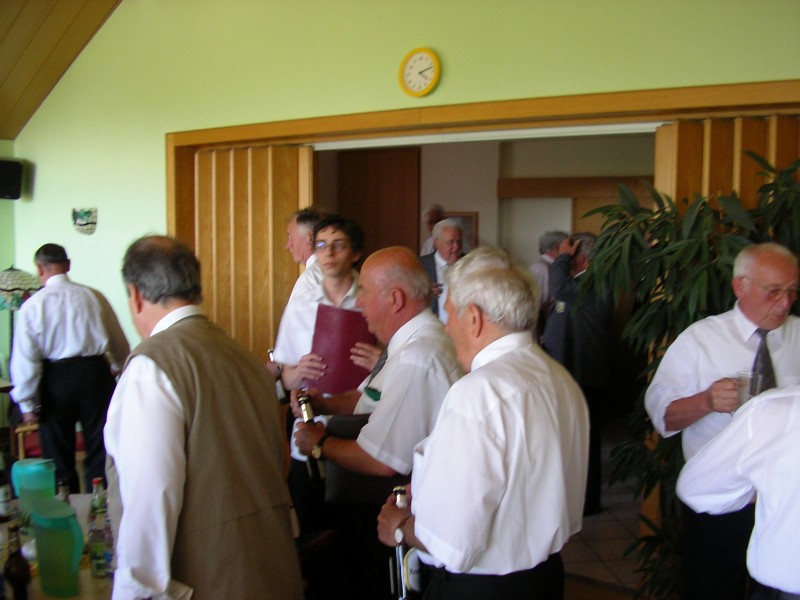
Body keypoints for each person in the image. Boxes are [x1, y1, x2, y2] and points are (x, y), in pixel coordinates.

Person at [378, 247, 589, 600]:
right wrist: (430, 491)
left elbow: (451, 544)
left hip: (482, 588)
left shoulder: (477, 393)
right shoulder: (559, 377)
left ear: (474, 318)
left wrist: (400, 527)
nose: (446, 327)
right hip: (545, 578)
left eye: (449, 314)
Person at [104, 235, 303, 600]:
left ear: (135, 295)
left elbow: (149, 500)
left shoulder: (152, 367)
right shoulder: (246, 360)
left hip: (211, 581)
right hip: (275, 570)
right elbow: (278, 464)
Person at [294, 245, 462, 599]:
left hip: (397, 509)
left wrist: (319, 444)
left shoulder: (418, 356)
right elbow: (370, 398)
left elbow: (382, 460)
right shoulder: (411, 343)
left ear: (395, 299)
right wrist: (323, 402)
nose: (359, 303)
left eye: (365, 292)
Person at [645, 242, 800, 600]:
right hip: (719, 504)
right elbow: (662, 415)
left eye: (793, 291)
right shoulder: (700, 340)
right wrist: (706, 401)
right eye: (774, 291)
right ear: (740, 286)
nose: (785, 303)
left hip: (785, 505)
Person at [270, 214, 365, 537]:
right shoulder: (302, 304)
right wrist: (297, 372)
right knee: (314, 533)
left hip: (361, 431)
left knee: (355, 533)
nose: (329, 253)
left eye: (339, 245)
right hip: (311, 428)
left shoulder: (371, 301)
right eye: (322, 245)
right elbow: (284, 378)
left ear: (355, 253)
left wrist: (380, 361)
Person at [10, 243, 129, 492]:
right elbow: (118, 341)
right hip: (96, 374)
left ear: (39, 268)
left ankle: (66, 504)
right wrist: (121, 369)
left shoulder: (33, 305)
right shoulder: (94, 296)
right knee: (101, 446)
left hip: (56, 380)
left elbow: (26, 359)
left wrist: (27, 404)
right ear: (68, 265)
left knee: (57, 454)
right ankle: (101, 504)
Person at [677, 386, 800, 600]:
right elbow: (663, 412)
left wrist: (768, 486)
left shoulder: (774, 408)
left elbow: (696, 488)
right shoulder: (774, 407)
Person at [542, 232, 613, 515]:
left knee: (585, 439)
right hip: (575, 372)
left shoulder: (593, 283)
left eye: (570, 254)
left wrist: (561, 256)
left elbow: (558, 287)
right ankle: (577, 498)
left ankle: (587, 502)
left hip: (586, 374)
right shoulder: (582, 284)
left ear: (580, 257)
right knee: (576, 438)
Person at [419, 218, 464, 323]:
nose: (456, 247)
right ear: (436, 243)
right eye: (450, 242)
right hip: (432, 328)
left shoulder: (471, 265)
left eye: (458, 241)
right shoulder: (419, 266)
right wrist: (424, 293)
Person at [529, 230, 568, 335]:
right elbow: (537, 302)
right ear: (556, 247)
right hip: (544, 323)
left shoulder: (555, 267)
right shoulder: (540, 267)